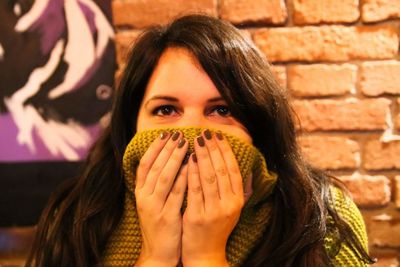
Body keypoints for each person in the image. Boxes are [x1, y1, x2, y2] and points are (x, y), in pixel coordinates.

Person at [27, 14, 375, 266]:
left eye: (221, 110)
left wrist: (207, 257)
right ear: (132, 123)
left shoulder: (322, 218)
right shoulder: (78, 215)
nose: (190, 130)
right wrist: (155, 257)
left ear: (258, 123)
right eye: (166, 110)